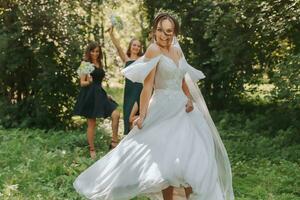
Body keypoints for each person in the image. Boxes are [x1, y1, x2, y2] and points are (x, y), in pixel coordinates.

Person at [74, 13, 234, 200]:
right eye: (159, 30)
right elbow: (148, 85)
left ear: (174, 33)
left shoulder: (177, 51)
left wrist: (189, 98)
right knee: (165, 161)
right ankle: (94, 151)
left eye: (168, 31)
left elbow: (182, 79)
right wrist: (142, 115)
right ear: (154, 30)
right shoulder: (151, 51)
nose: (163, 35)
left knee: (194, 159)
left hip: (183, 109)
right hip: (158, 106)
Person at [73, 41, 120, 159]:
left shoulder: (99, 63)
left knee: (116, 114)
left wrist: (106, 94)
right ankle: (92, 149)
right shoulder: (85, 64)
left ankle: (114, 142)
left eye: (97, 51)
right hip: (89, 95)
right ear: (89, 52)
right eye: (93, 51)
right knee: (92, 124)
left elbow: (99, 82)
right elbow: (82, 83)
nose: (95, 53)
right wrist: (88, 81)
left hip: (100, 93)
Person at [108, 27, 143, 134]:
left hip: (139, 90)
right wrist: (111, 34)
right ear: (130, 47)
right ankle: (129, 138)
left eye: (138, 46)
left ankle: (140, 136)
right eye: (134, 45)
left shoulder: (143, 59)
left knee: (139, 114)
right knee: (128, 115)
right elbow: (118, 47)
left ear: (140, 48)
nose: (136, 47)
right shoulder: (126, 59)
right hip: (129, 91)